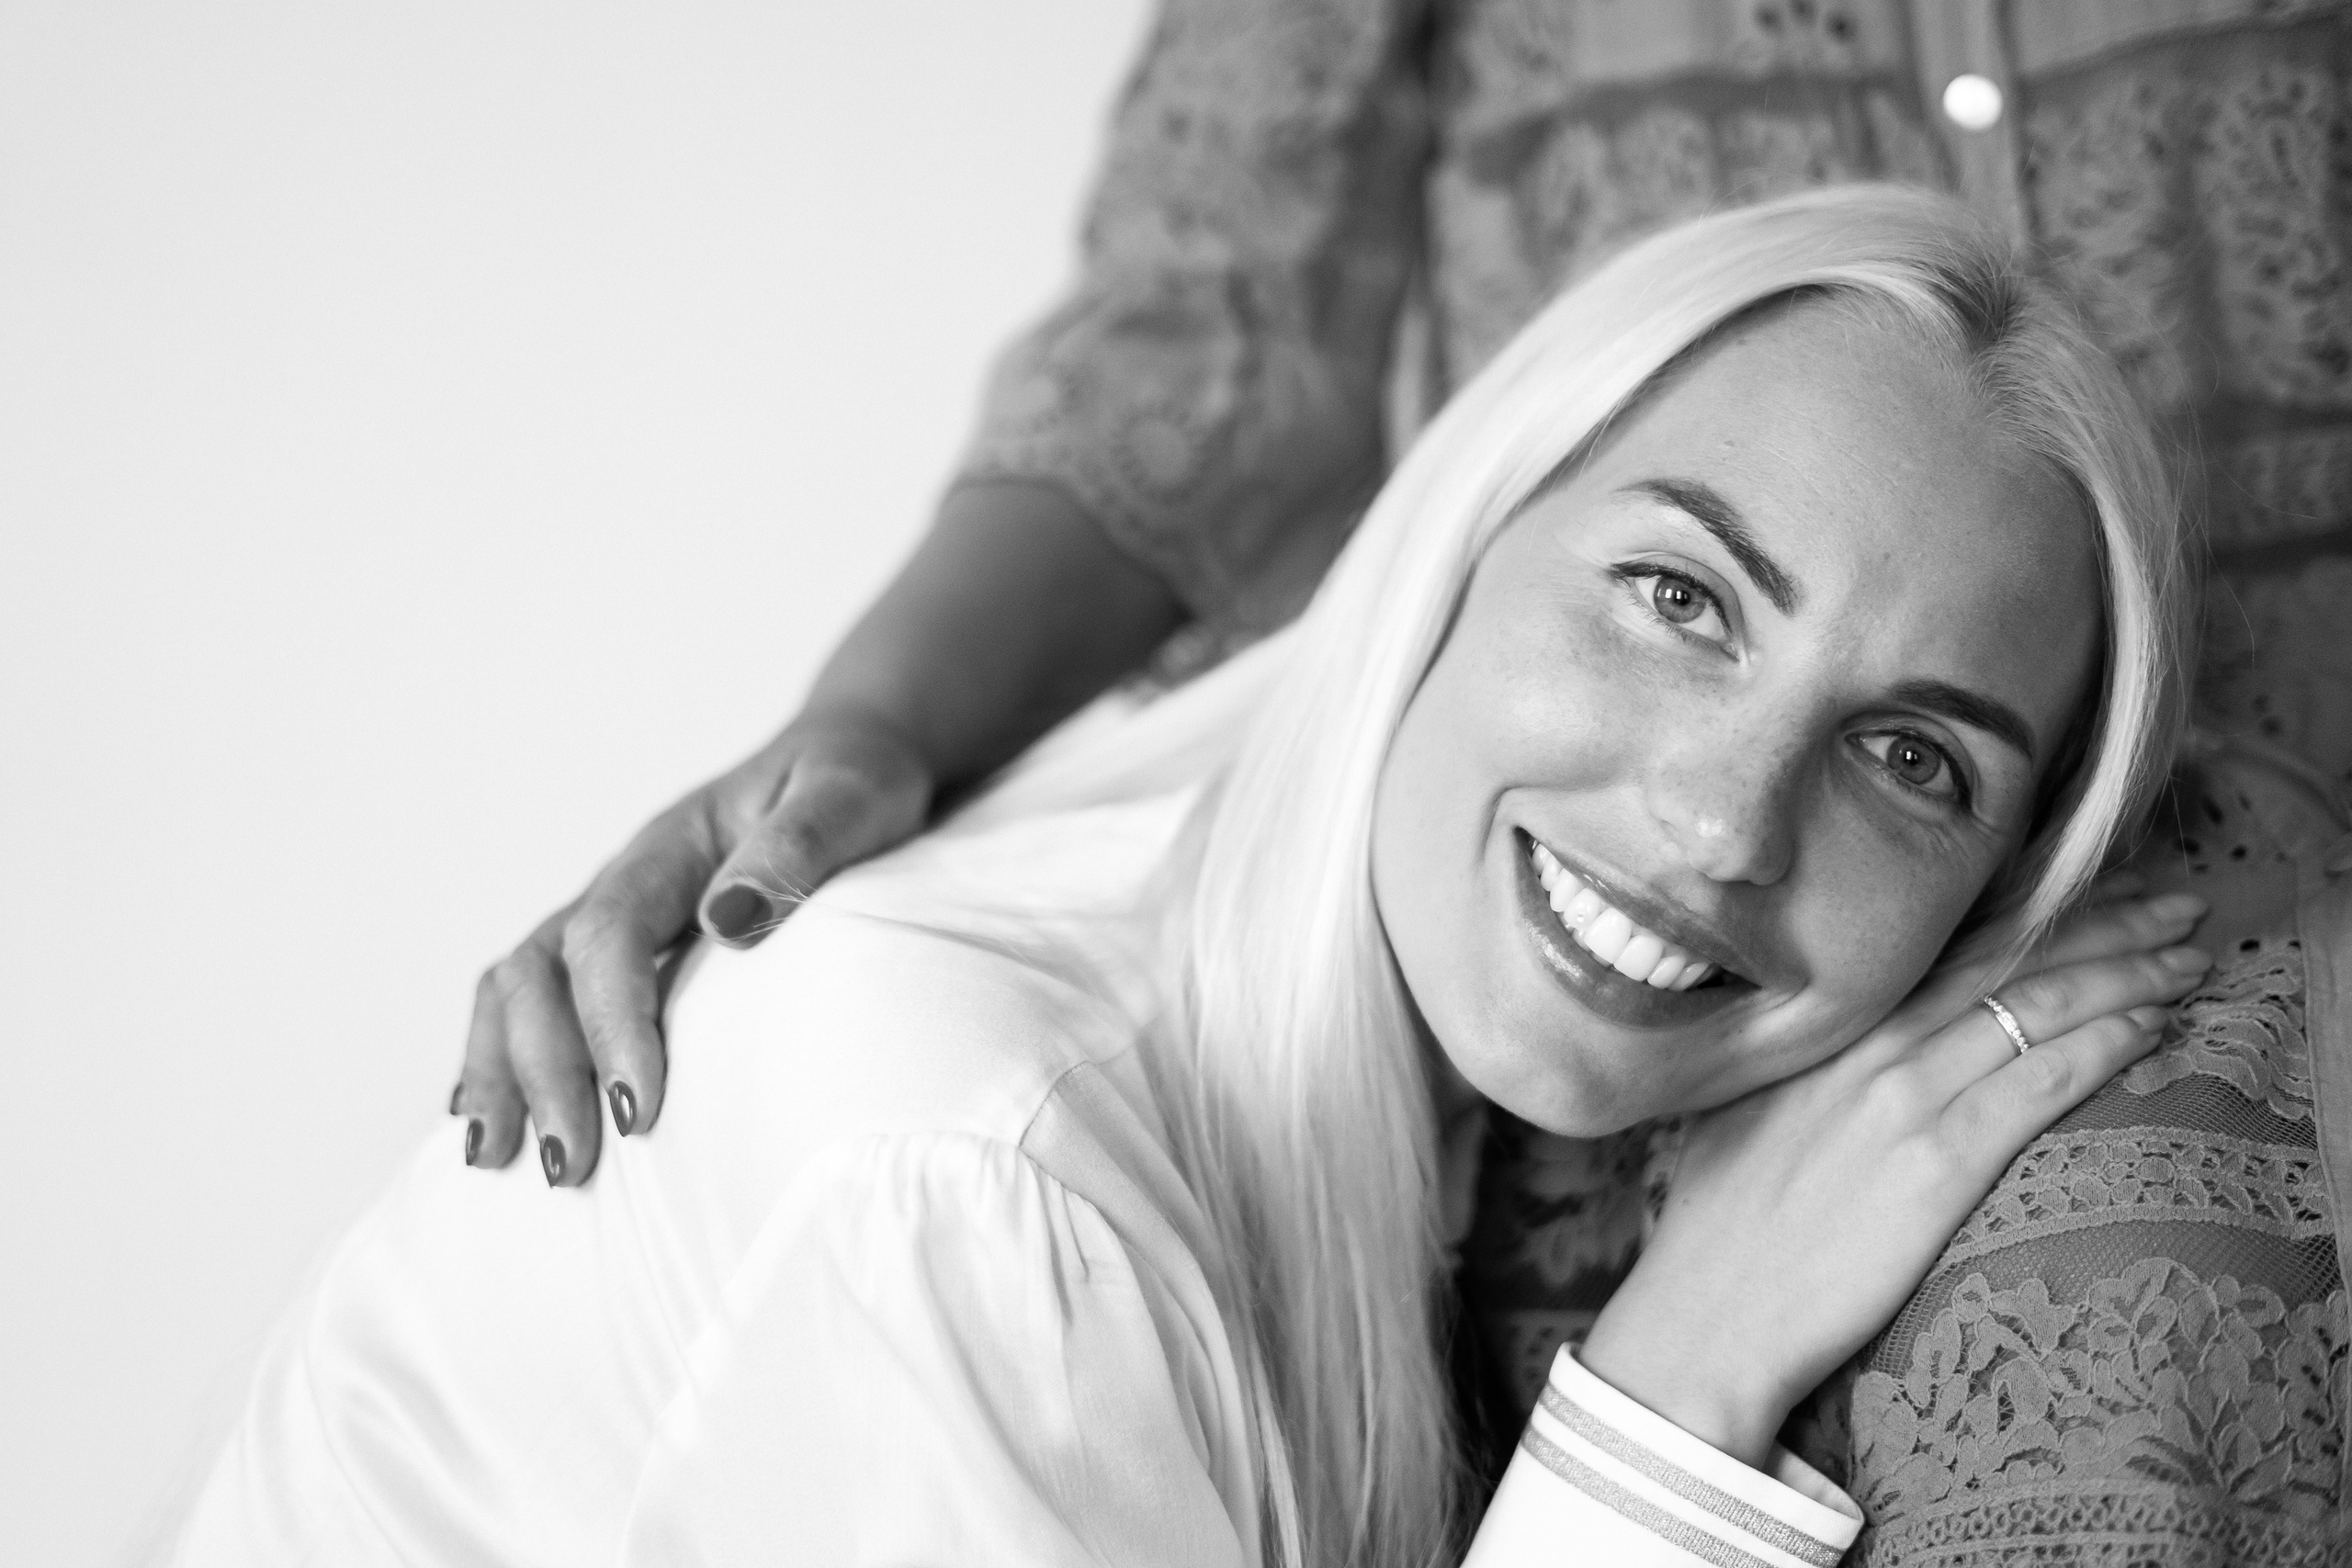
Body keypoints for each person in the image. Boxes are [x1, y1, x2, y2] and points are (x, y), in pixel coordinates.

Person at [170, 188, 2212, 1565]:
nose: (1725, 825)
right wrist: (1674, 1401)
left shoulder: (1348, 1104)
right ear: (1457, 536)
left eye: (1911, 760)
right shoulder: (985, 1175)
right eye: (1678, 596)